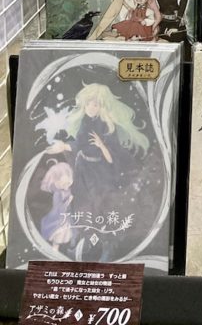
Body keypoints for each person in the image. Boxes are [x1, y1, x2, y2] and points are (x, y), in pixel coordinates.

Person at [45, 83, 149, 260]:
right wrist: (63, 146)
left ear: (101, 106)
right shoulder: (85, 121)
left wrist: (101, 145)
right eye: (88, 104)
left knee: (101, 208)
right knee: (80, 205)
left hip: (101, 172)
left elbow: (111, 158)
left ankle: (108, 246)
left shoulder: (108, 126)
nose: (91, 108)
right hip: (83, 169)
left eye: (95, 104)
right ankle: (84, 242)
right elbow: (79, 144)